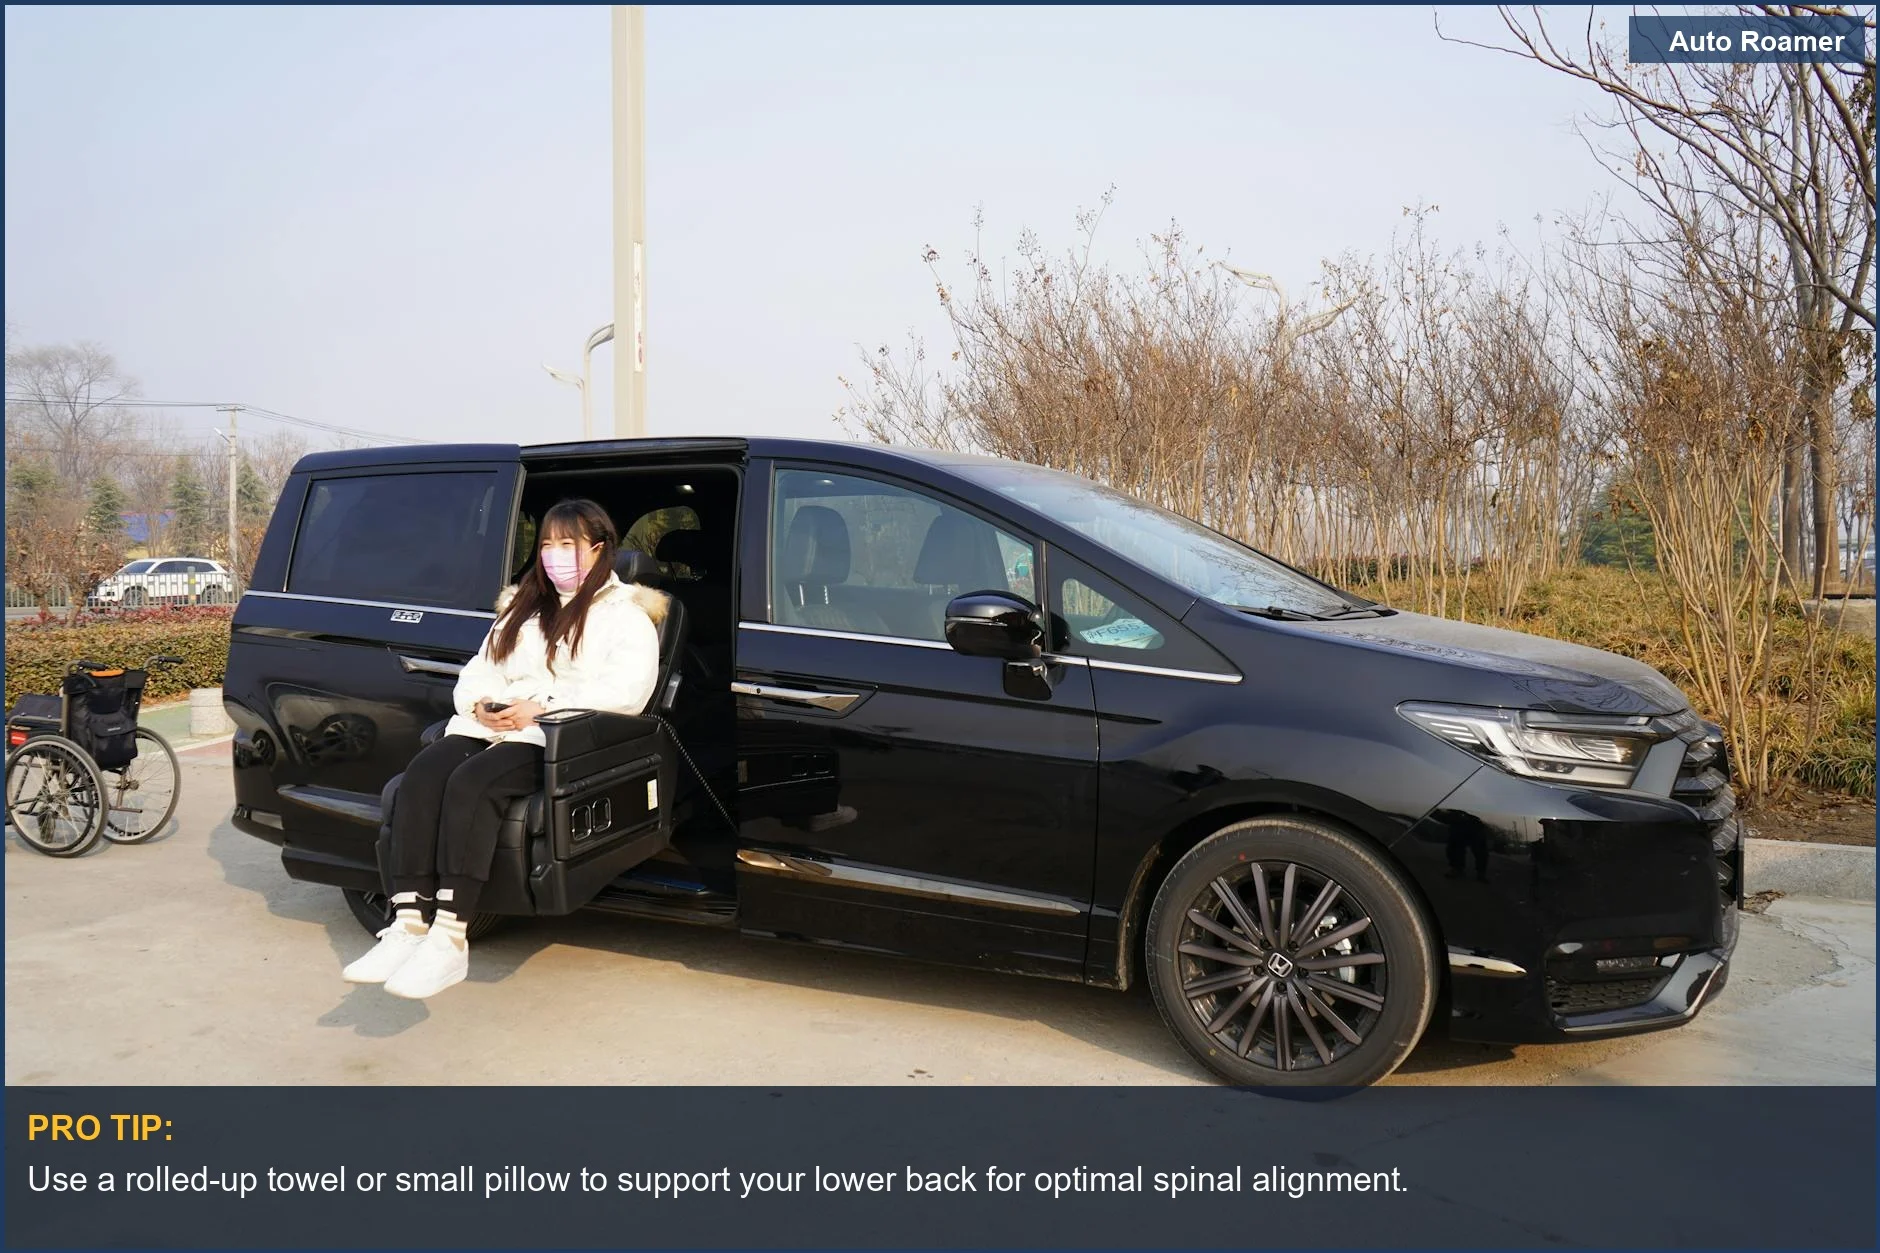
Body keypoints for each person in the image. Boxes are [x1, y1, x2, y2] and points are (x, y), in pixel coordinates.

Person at [341, 498, 667, 999]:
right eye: (547, 545)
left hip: (555, 737)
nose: (555, 555)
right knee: (422, 776)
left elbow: (625, 693)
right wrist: (481, 705)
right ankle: (407, 924)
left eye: (568, 544)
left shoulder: (626, 617)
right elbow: (480, 669)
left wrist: (540, 709)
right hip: (489, 727)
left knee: (474, 784)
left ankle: (449, 936)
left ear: (598, 549)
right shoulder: (523, 608)